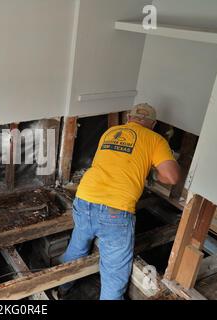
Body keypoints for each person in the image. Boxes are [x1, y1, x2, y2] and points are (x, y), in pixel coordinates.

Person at [55, 103, 180, 300]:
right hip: (115, 210)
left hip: (84, 199)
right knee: (114, 273)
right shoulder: (156, 139)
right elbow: (172, 177)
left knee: (78, 247)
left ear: (129, 118)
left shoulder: (111, 132)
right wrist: (154, 177)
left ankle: (60, 288)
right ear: (153, 124)